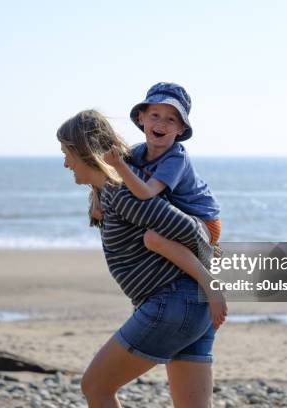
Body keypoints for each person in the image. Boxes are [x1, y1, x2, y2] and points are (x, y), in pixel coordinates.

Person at [57, 109, 225, 408]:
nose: (65, 162)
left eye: (66, 152)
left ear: (83, 151)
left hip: (173, 303)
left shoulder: (121, 193)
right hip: (191, 305)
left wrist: (208, 277)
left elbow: (187, 228)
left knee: (96, 386)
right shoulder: (109, 192)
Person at [103, 82, 225, 327]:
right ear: (141, 118)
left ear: (180, 128)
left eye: (171, 119)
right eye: (155, 115)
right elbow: (108, 178)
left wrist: (119, 166)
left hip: (204, 222)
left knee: (152, 239)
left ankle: (211, 285)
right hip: (176, 218)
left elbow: (147, 193)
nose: (161, 124)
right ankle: (149, 298)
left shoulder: (176, 157)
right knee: (141, 238)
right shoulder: (136, 153)